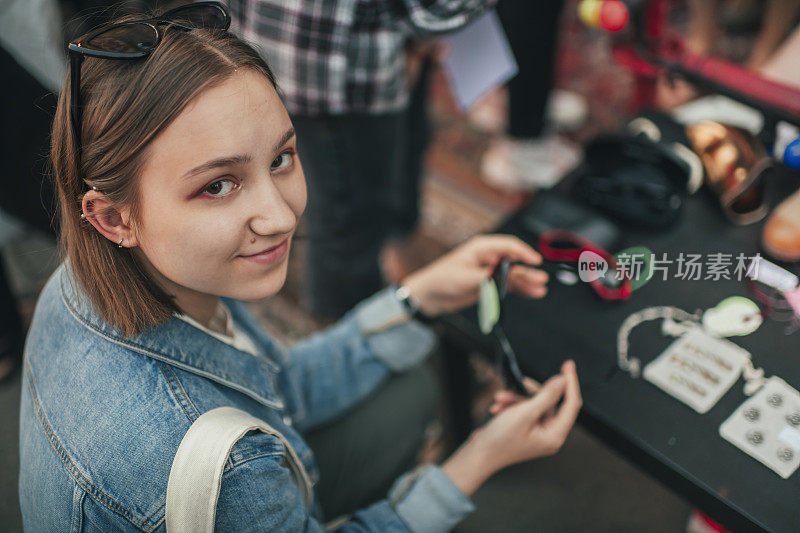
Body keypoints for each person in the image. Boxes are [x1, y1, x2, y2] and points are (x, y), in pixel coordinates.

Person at [18, 3, 582, 530]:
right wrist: (478, 460)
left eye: (282, 158)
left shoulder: (92, 279)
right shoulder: (219, 468)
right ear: (115, 219)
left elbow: (276, 382)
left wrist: (416, 298)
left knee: (407, 390)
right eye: (217, 186)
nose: (280, 217)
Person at [227, 0, 497, 320]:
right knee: (349, 222)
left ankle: (397, 258)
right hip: (337, 56)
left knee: (394, 157)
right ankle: (351, 334)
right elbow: (433, 10)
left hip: (299, 36)